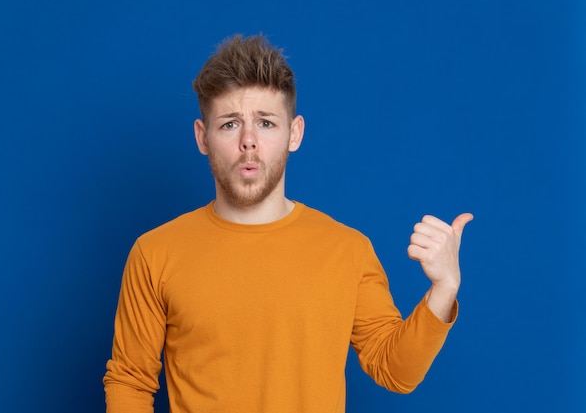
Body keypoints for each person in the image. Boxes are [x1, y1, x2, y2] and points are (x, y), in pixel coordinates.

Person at [103, 34, 473, 413]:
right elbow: (129, 381)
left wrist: (444, 287)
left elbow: (396, 371)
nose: (249, 141)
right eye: (230, 125)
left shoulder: (346, 250)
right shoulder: (155, 253)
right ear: (203, 137)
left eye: (265, 123)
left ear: (294, 133)